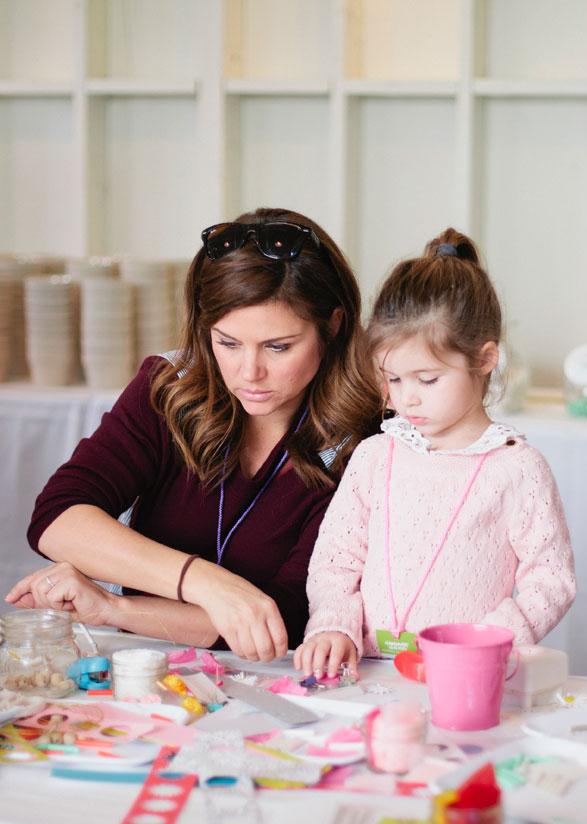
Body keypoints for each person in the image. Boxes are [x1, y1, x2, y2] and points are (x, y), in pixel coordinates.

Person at [5, 208, 380, 661]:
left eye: (278, 347)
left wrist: (116, 607)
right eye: (228, 343)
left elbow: (284, 618)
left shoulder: (367, 442)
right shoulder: (170, 388)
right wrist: (205, 583)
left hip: (276, 673)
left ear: (333, 325)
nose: (250, 373)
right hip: (147, 663)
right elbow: (57, 515)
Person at [294, 228, 576, 678]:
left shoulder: (517, 468)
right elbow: (336, 558)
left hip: (466, 675)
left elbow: (551, 578)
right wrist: (333, 626)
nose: (407, 399)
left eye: (427, 380)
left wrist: (491, 641)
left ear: (485, 360)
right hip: (366, 673)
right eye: (394, 379)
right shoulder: (374, 457)